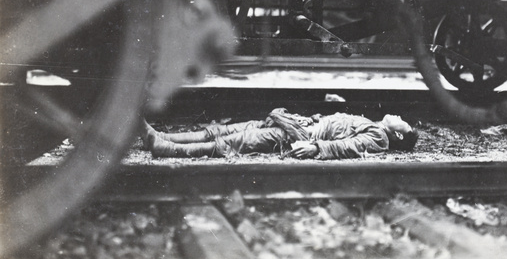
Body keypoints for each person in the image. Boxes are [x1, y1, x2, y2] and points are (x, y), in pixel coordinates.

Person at [142, 108, 417, 160]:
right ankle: (164, 138)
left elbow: (348, 145)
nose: (399, 117)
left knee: (234, 140)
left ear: (400, 137)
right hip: (298, 126)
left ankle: (167, 148)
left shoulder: (379, 138)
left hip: (296, 138)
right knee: (234, 129)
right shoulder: (376, 126)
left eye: (403, 123)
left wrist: (317, 149)